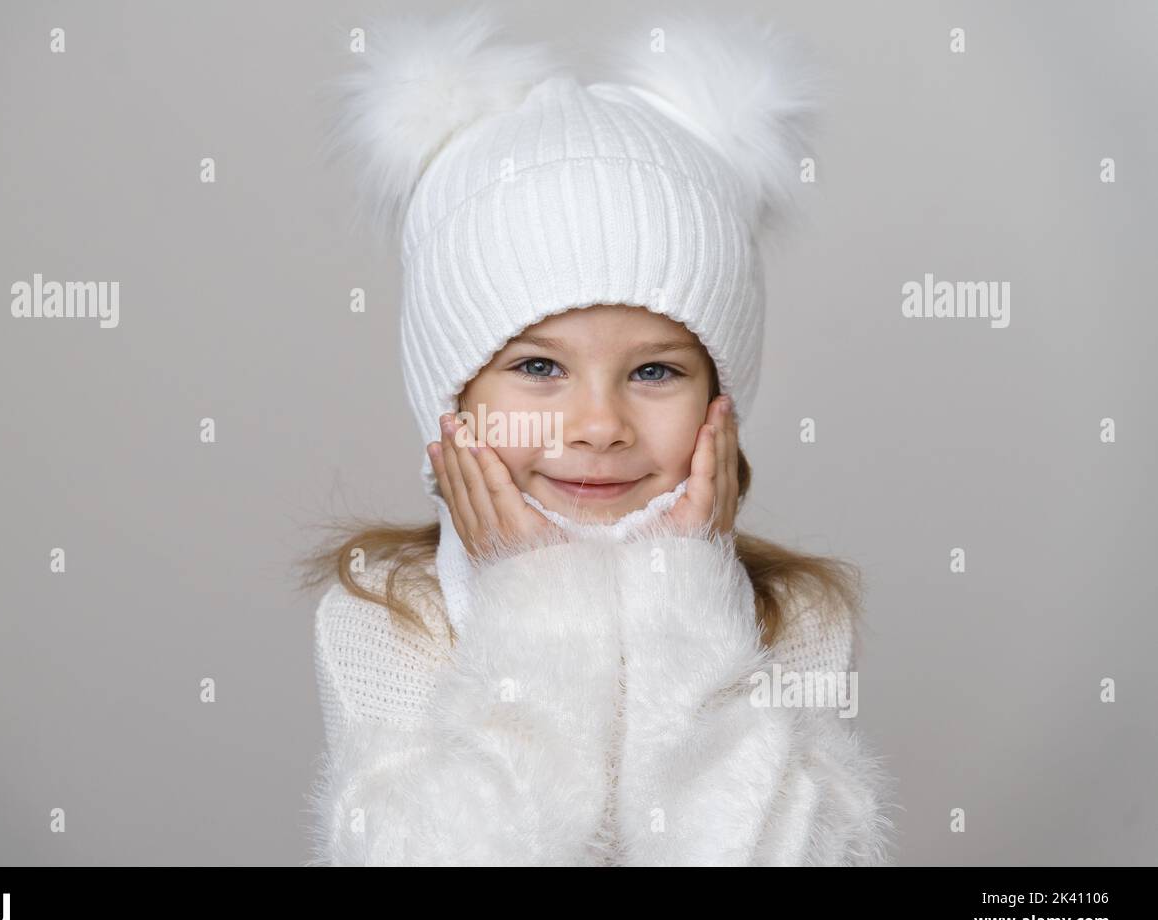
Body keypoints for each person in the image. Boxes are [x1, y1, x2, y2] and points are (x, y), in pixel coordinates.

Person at [300, 4, 897, 865]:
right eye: (540, 368)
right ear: (451, 398)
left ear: (722, 402)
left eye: (655, 372)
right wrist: (532, 603)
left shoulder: (793, 617)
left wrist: (689, 601)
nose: (599, 427)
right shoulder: (387, 614)